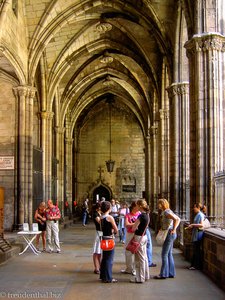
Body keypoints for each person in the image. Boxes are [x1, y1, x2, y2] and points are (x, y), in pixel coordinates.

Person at [153, 198, 180, 279]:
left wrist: (174, 229)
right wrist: (174, 229)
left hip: (168, 234)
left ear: (162, 204)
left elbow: (176, 219)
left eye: (159, 204)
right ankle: (171, 273)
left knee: (164, 254)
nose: (158, 205)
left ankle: (163, 274)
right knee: (169, 254)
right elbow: (178, 219)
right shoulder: (169, 211)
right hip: (170, 233)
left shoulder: (166, 212)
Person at [130, 199, 150, 283]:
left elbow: (134, 228)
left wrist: (135, 225)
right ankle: (146, 275)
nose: (136, 207)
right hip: (144, 236)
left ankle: (140, 278)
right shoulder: (147, 215)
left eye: (137, 205)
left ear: (140, 206)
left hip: (139, 237)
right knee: (144, 257)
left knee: (140, 259)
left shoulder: (141, 216)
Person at [99, 201, 118, 283]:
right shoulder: (109, 217)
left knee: (105, 258)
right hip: (109, 239)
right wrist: (114, 231)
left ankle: (103, 276)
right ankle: (108, 278)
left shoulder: (101, 217)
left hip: (103, 238)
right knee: (109, 259)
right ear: (109, 208)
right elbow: (116, 229)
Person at [121, 200, 140, 276]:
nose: (138, 207)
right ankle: (129, 268)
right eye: (137, 206)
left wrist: (132, 224)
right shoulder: (128, 215)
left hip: (137, 234)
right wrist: (136, 224)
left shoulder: (140, 214)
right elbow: (126, 224)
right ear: (133, 207)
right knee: (128, 251)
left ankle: (135, 269)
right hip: (129, 234)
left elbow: (130, 224)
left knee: (136, 251)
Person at [186, 202, 205, 270]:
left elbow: (201, 225)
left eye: (195, 207)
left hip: (198, 234)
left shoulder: (200, 215)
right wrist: (192, 226)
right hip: (196, 233)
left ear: (198, 208)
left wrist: (193, 225)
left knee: (196, 250)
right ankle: (194, 265)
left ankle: (195, 265)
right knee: (195, 250)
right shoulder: (198, 214)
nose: (193, 208)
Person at [92, 202, 102, 274]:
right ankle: (96, 267)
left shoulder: (100, 213)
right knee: (96, 251)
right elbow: (99, 222)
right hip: (98, 232)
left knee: (100, 251)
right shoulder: (95, 213)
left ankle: (100, 266)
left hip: (102, 233)